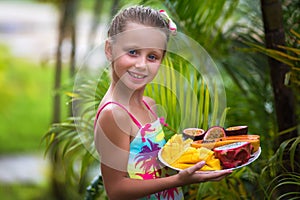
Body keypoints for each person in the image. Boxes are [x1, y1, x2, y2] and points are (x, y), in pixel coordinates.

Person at [94, 5, 232, 200]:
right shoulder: (115, 114)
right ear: (110, 49)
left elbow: (152, 167)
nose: (141, 64)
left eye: (152, 56)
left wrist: (196, 158)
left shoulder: (148, 104)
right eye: (133, 51)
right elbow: (116, 190)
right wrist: (179, 181)